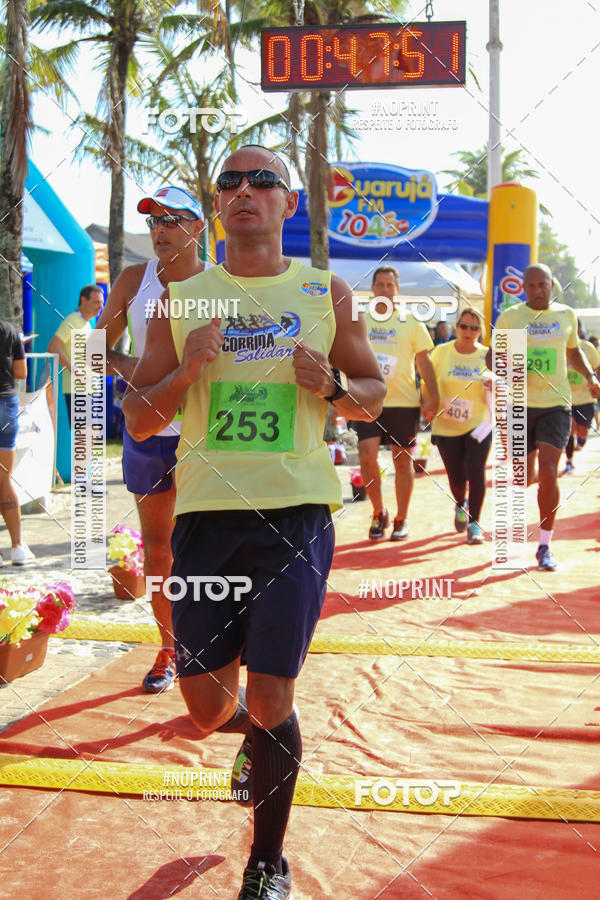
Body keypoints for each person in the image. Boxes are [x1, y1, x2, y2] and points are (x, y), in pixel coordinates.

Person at [122, 144, 385, 900]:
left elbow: (374, 397)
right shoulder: (185, 297)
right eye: (230, 182)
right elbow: (139, 421)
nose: (245, 191)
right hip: (208, 519)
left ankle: (267, 864)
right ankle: (257, 749)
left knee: (273, 698)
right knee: (209, 710)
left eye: (263, 180)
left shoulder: (323, 291)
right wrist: (184, 371)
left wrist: (333, 385)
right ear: (218, 204)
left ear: (288, 203)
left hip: (296, 515)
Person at [95, 185, 206, 693]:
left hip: (210, 436)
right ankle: (170, 648)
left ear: (198, 227)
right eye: (154, 222)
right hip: (150, 432)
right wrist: (140, 372)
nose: (160, 230)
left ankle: (221, 643)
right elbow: (95, 350)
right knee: (159, 554)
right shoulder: (133, 281)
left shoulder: (223, 283)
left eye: (172, 220)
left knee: (212, 550)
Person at [489, 264, 600, 570]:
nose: (538, 291)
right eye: (532, 286)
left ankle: (544, 545)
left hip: (556, 404)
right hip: (520, 405)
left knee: (549, 469)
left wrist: (590, 376)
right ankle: (534, 482)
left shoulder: (566, 315)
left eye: (543, 285)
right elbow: (491, 355)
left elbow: (572, 351)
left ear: (553, 284)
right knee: (524, 475)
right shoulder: (511, 317)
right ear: (523, 288)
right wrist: (507, 367)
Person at [352, 265, 438, 541]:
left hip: (403, 402)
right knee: (367, 457)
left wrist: (432, 397)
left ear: (397, 290)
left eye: (391, 285)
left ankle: (402, 517)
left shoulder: (412, 321)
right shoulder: (360, 320)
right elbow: (346, 354)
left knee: (403, 462)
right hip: (367, 399)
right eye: (381, 285)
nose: (385, 290)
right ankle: (379, 511)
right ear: (373, 288)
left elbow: (424, 362)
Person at [430, 307, 492, 544]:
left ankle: (475, 523)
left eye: (474, 328)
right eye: (464, 326)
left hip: (479, 422)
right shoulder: (440, 353)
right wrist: (427, 403)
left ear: (480, 331)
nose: (468, 331)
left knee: (476, 470)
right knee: (456, 478)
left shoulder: (487, 355)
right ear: (457, 327)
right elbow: (428, 383)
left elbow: (504, 385)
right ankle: (460, 503)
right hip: (446, 424)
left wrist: (494, 386)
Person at [0, 320, 35, 565]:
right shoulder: (10, 330)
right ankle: (17, 546)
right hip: (6, 404)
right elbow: (21, 373)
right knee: (4, 478)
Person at [47, 284, 104, 425]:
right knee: (87, 434)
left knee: (89, 434)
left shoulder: (87, 324)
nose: (101, 307)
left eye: (102, 302)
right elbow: (52, 347)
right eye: (97, 302)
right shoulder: (72, 320)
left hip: (88, 387)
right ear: (83, 300)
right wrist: (75, 370)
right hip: (78, 388)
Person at [563, 321, 600, 473]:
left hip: (585, 397)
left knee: (582, 431)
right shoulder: (557, 346)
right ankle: (569, 462)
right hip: (564, 397)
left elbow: (598, 368)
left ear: (578, 330)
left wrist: (596, 385)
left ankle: (582, 439)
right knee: (570, 429)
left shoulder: (587, 347)